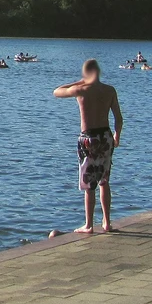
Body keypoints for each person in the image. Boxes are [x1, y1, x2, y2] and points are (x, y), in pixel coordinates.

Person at [53, 59, 123, 234]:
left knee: (89, 184)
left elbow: (57, 92)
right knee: (104, 181)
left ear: (86, 73)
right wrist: (117, 136)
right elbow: (118, 118)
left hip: (88, 139)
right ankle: (107, 222)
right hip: (105, 137)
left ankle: (89, 225)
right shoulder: (110, 90)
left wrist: (79, 81)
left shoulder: (81, 90)